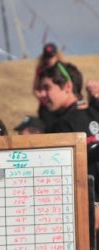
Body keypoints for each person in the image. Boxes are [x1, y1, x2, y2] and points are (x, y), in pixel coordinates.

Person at [37, 61, 99, 196]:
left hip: (87, 204)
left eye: (47, 88)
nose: (42, 94)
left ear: (67, 86)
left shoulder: (62, 125)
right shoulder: (95, 110)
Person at [33, 42, 64, 128]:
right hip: (46, 107)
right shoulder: (40, 70)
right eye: (47, 57)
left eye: (52, 56)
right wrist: (41, 97)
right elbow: (36, 88)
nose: (49, 59)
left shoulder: (62, 68)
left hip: (61, 107)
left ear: (57, 55)